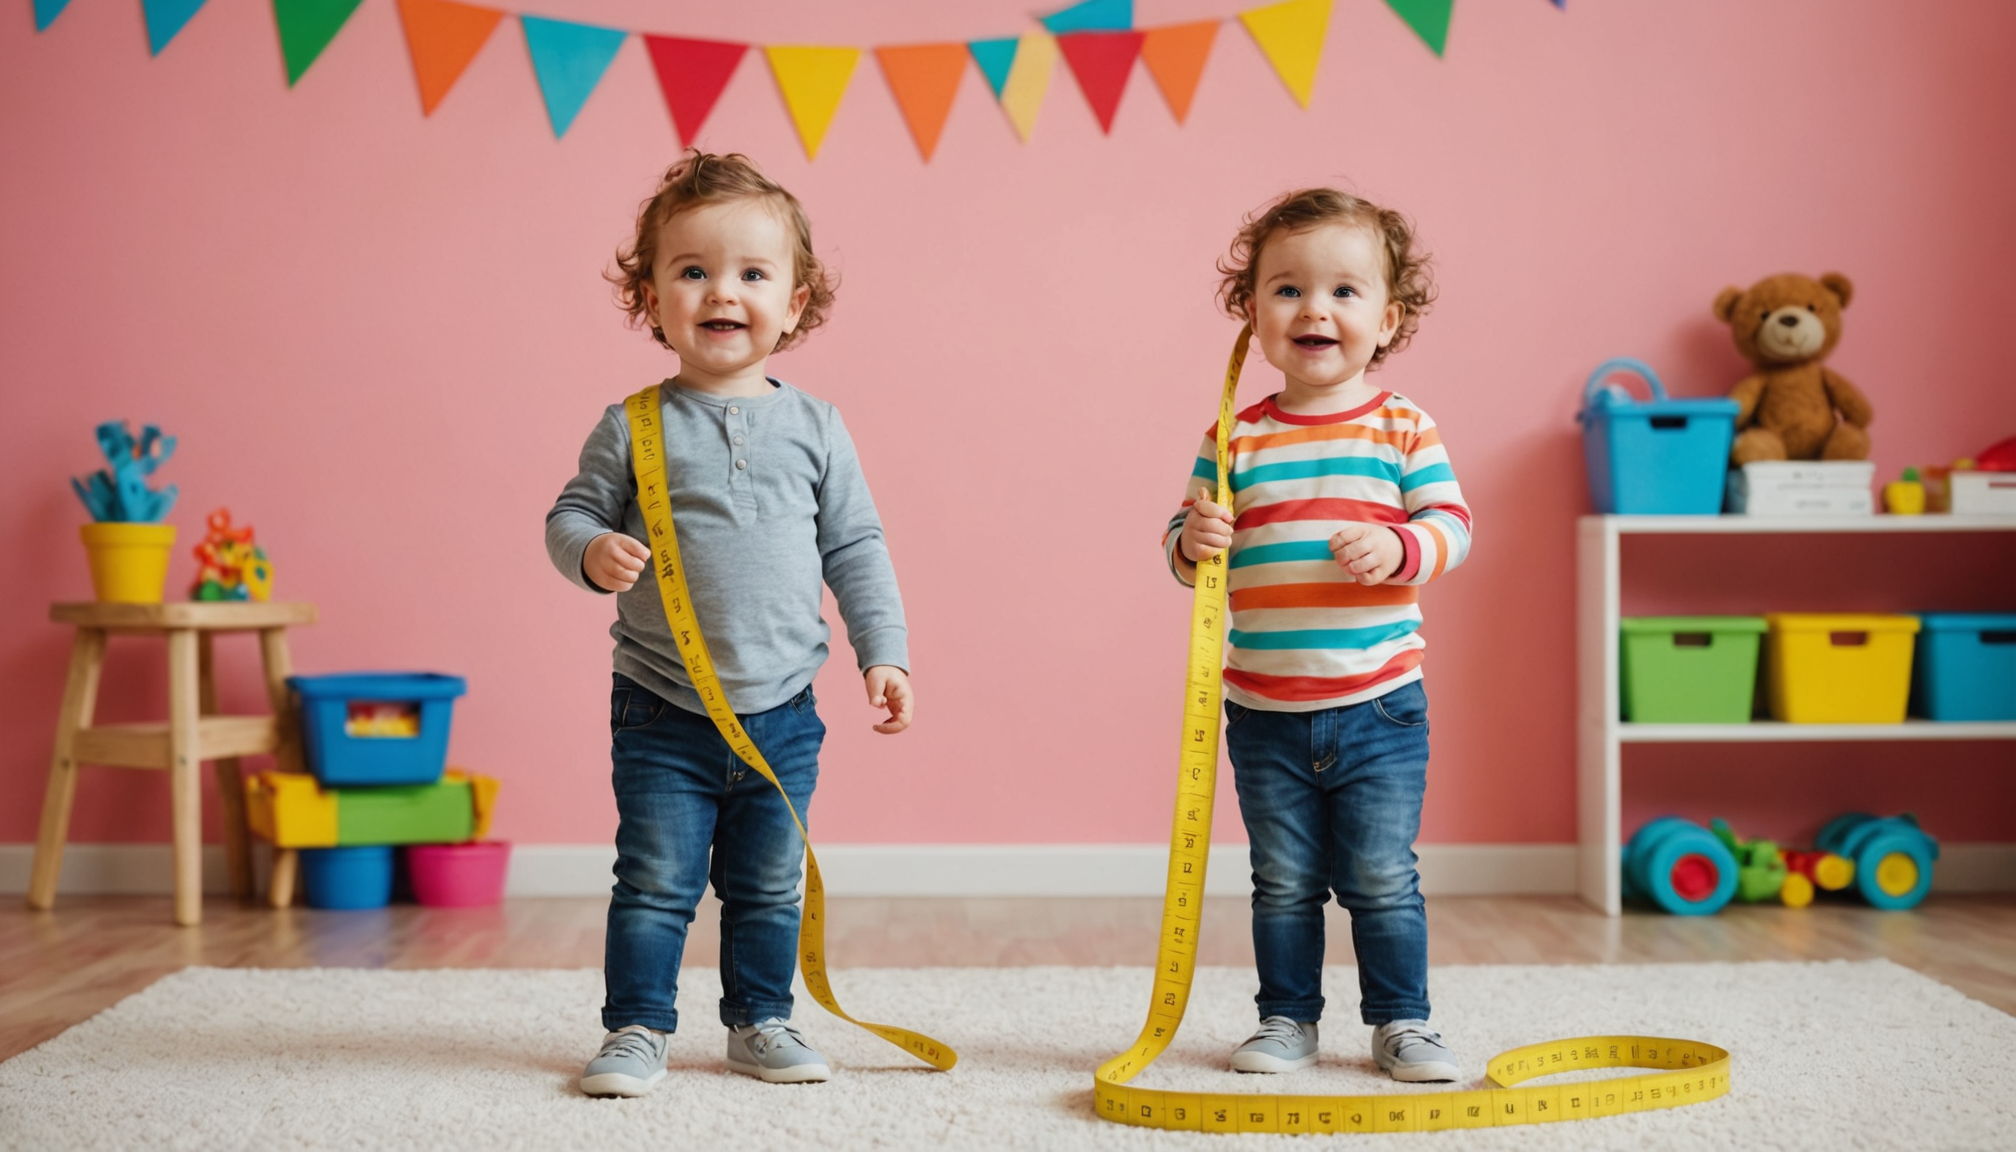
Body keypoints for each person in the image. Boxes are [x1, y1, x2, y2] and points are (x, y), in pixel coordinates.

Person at [546, 152, 913, 1098]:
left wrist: (886, 653)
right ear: (652, 297)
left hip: (784, 710)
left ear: (795, 305)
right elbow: (570, 516)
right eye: (694, 269)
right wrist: (591, 554)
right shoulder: (631, 425)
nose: (724, 291)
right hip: (662, 708)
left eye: (754, 274)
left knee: (768, 886)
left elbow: (858, 548)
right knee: (656, 882)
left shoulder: (821, 427)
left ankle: (761, 1020)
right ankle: (636, 1028)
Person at [1166, 187, 1472, 1082]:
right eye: (1289, 289)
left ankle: (1402, 1022)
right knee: (1283, 882)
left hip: (1380, 703)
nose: (1317, 310)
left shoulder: (1402, 428)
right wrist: (1192, 540)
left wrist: (1401, 545)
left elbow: (1454, 526)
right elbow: (1187, 552)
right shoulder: (1234, 436)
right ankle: (1286, 1018)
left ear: (1389, 318)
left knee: (1381, 879)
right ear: (1251, 312)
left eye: (1346, 291)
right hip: (1264, 710)